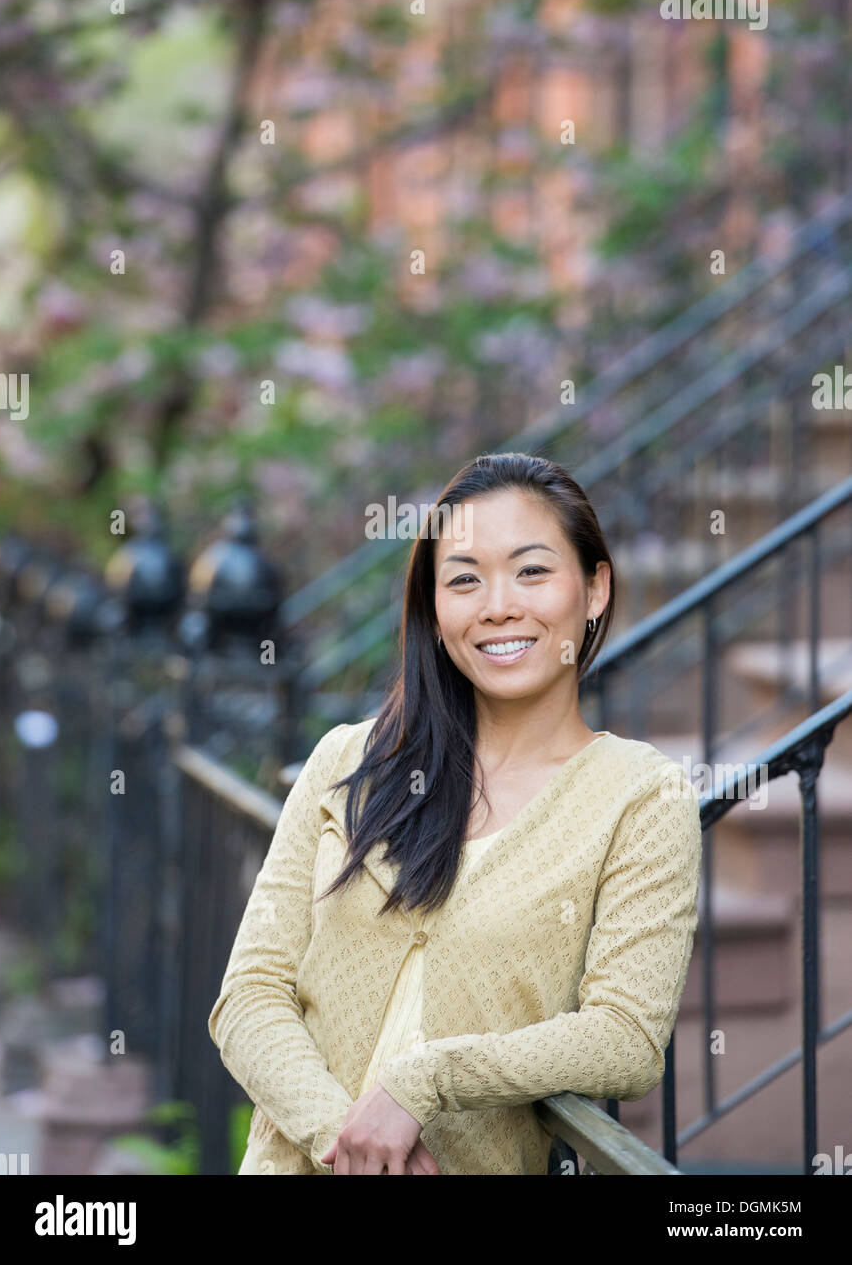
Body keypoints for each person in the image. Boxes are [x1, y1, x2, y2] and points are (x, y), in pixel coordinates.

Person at [208, 452, 703, 1175]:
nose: (497, 604)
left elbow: (624, 1037)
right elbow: (249, 996)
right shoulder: (349, 763)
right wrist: (342, 1139)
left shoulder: (641, 797)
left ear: (594, 589)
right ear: (434, 611)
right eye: (464, 579)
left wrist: (424, 1083)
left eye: (532, 571)